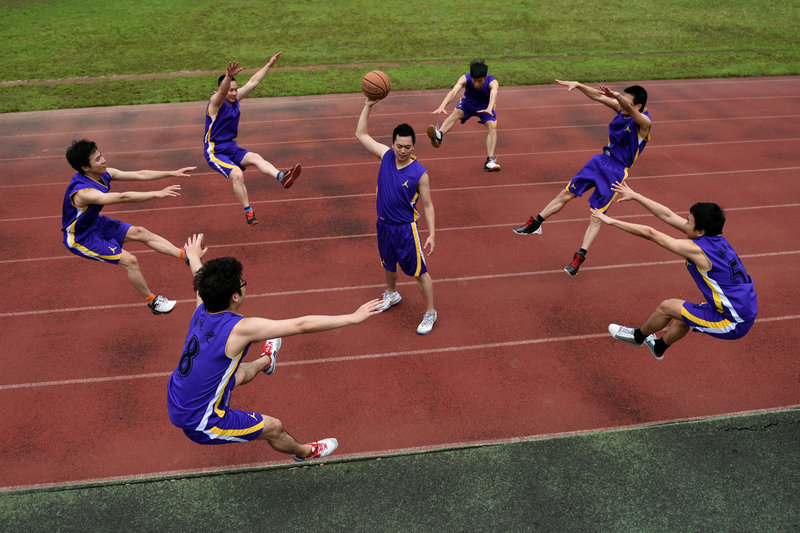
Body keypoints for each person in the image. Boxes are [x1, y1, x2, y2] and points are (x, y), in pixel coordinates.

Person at [167, 234, 383, 461]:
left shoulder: (202, 305)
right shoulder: (240, 329)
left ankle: (267, 361)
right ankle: (306, 452)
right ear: (234, 297)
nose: (244, 284)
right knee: (274, 427)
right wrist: (352, 317)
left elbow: (199, 277)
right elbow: (301, 325)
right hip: (202, 421)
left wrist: (193, 256)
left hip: (179, 396)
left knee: (237, 374)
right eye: (242, 283)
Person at [593, 181, 758, 360]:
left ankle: (637, 337)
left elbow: (651, 234)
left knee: (667, 307)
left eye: (688, 221)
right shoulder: (715, 237)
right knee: (682, 317)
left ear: (700, 231)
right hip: (741, 307)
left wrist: (612, 221)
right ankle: (659, 347)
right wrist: (636, 196)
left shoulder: (698, 250)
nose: (685, 223)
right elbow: (668, 215)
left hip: (733, 321)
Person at [513, 80, 652, 276]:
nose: (621, 103)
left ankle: (580, 255)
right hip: (599, 161)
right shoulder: (622, 109)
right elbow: (597, 96)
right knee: (566, 193)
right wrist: (578, 85)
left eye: (626, 101)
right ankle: (536, 223)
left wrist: (616, 96)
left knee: (596, 215)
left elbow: (627, 108)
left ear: (637, 106)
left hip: (616, 171)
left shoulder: (644, 123)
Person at [62, 139, 195, 315]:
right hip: (81, 237)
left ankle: (184, 256)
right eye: (98, 159)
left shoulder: (103, 174)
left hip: (96, 223)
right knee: (130, 260)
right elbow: (123, 197)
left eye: (101, 155)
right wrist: (157, 194)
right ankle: (153, 302)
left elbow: (140, 174)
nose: (104, 160)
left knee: (141, 232)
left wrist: (171, 173)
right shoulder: (83, 193)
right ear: (85, 167)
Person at [356, 97, 438, 335]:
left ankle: (430, 312)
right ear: (392, 144)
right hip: (384, 226)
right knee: (388, 264)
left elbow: (428, 205)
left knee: (419, 273)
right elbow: (361, 134)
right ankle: (392, 294)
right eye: (399, 146)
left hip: (405, 230)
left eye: (407, 147)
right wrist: (368, 106)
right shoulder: (386, 156)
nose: (402, 151)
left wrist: (432, 233)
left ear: (413, 147)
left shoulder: (420, 174)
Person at [204, 52, 301, 226]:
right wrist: (228, 76)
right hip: (215, 151)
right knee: (237, 174)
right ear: (222, 89)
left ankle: (282, 176)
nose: (234, 93)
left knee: (255, 157)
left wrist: (269, 64)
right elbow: (223, 91)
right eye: (231, 90)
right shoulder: (215, 103)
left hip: (231, 147)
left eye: (235, 89)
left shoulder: (234, 99)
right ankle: (248, 211)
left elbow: (253, 82)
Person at [426, 59, 501, 172]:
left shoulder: (493, 82)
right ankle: (439, 135)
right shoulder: (465, 78)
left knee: (493, 126)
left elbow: (493, 95)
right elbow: (453, 92)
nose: (476, 84)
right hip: (468, 103)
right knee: (456, 113)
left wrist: (489, 108)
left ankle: (489, 161)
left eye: (480, 81)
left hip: (485, 107)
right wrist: (442, 106)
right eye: (474, 80)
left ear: (485, 77)